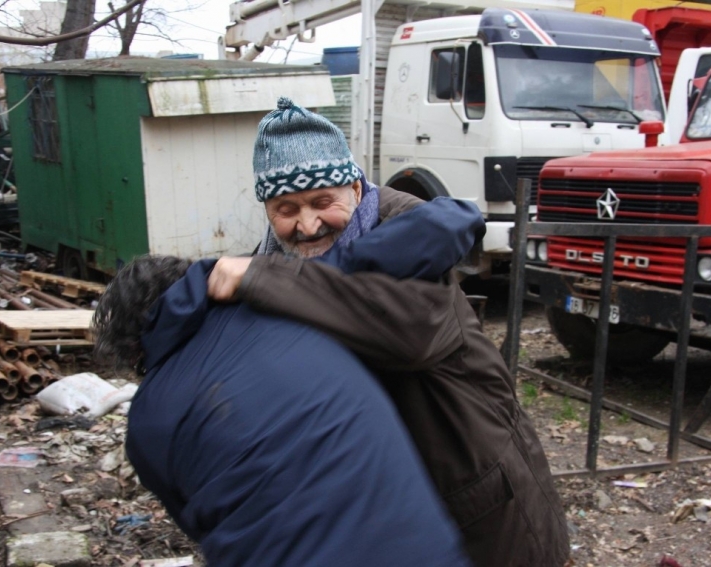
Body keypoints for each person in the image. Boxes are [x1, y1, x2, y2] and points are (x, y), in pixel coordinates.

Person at [207, 97, 571, 566]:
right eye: (285, 208)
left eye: (322, 202)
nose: (308, 224)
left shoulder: (414, 241)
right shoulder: (273, 260)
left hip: (474, 500)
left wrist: (258, 280)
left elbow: (409, 335)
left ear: (356, 188)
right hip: (387, 508)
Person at [92, 255, 471, 567]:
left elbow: (199, 526)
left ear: (133, 347)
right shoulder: (294, 317)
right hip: (428, 550)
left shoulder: (149, 419)